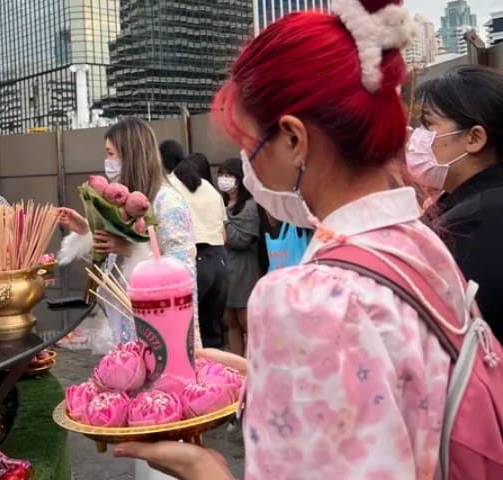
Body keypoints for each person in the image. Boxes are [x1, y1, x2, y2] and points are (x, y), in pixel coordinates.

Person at [113, 1, 479, 477]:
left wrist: (209, 473)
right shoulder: (421, 245)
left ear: (293, 139)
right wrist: (263, 373)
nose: (248, 165)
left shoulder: (306, 300)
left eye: (249, 146)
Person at [58, 118, 199, 346]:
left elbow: (183, 273)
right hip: (125, 324)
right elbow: (112, 259)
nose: (107, 162)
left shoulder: (168, 202)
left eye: (110, 153)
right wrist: (85, 229)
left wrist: (128, 249)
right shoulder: (123, 203)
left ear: (130, 155)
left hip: (163, 332)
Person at [409, 65, 503, 340]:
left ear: (474, 138)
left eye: (427, 126)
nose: (416, 138)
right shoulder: (469, 203)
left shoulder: (475, 221)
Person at [162, 142, 228, 349]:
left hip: (192, 262)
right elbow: (224, 232)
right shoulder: (207, 186)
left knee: (187, 338)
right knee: (214, 335)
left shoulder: (168, 188)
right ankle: (218, 379)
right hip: (220, 262)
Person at [217, 157, 261, 356]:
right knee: (231, 322)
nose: (224, 179)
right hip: (226, 270)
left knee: (247, 323)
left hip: (244, 271)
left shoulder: (250, 207)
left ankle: (252, 366)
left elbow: (242, 241)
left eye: (229, 175)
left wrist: (223, 222)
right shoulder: (221, 205)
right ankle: (237, 368)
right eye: (221, 175)